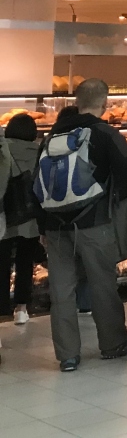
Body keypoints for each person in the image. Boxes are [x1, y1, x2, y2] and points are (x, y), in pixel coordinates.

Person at [37, 79, 127, 371]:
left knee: (61, 291)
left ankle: (67, 356)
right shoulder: (104, 133)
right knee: (102, 285)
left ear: (76, 101)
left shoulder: (52, 136)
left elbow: (36, 186)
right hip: (93, 223)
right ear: (104, 102)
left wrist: (42, 228)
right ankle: (113, 344)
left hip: (55, 227)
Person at [0, 114, 41, 325]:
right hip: (29, 216)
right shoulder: (39, 151)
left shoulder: (2, 150)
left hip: (5, 215)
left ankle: (1, 309)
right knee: (25, 263)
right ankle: (21, 309)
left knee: (2, 263)